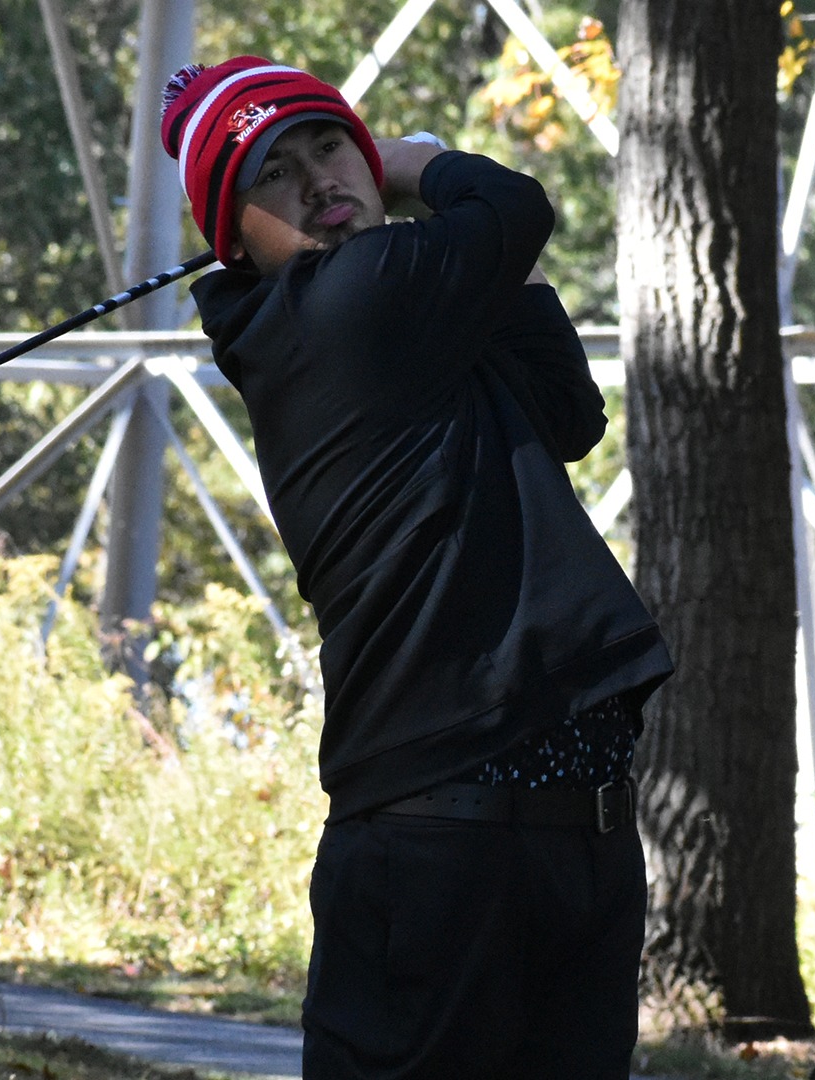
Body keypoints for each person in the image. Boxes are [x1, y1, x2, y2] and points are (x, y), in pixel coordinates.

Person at [160, 57, 675, 1079]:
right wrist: (415, 165)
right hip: (439, 843)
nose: (316, 181)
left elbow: (568, 415)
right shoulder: (336, 304)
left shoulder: (409, 318)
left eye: (325, 145)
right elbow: (514, 203)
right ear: (238, 241)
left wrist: (468, 239)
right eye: (272, 173)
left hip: (575, 835)